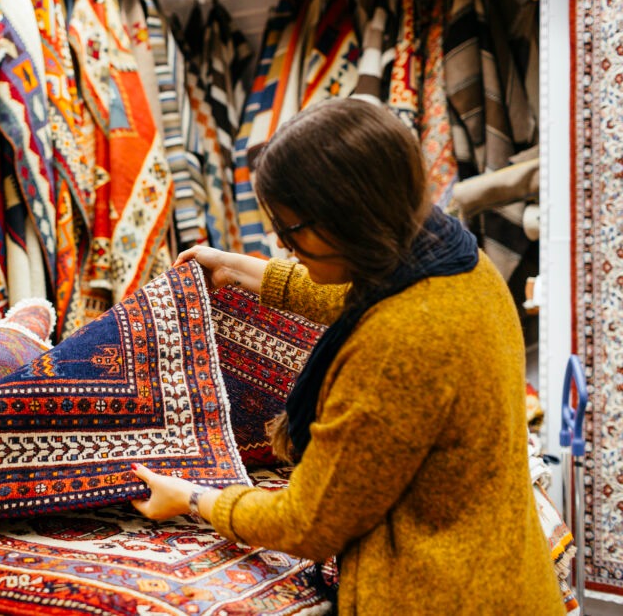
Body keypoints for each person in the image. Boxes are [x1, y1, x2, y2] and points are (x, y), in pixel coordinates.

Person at [131, 98, 564, 614]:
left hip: (438, 595)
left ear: (347, 220)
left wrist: (194, 497)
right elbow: (354, 295)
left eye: (290, 230)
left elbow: (308, 523)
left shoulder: (396, 345)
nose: (284, 245)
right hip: (508, 575)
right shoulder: (457, 263)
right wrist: (238, 269)